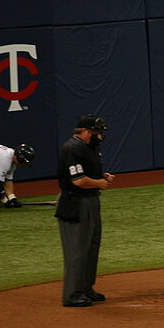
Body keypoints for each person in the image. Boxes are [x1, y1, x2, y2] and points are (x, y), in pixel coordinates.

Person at [55, 114, 115, 308]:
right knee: (77, 250)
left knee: (91, 246)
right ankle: (72, 294)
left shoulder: (90, 147)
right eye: (97, 132)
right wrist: (100, 183)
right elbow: (78, 180)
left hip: (91, 200)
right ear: (87, 131)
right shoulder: (72, 148)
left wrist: (100, 177)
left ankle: (86, 288)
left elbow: (87, 175)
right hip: (75, 203)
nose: (100, 135)